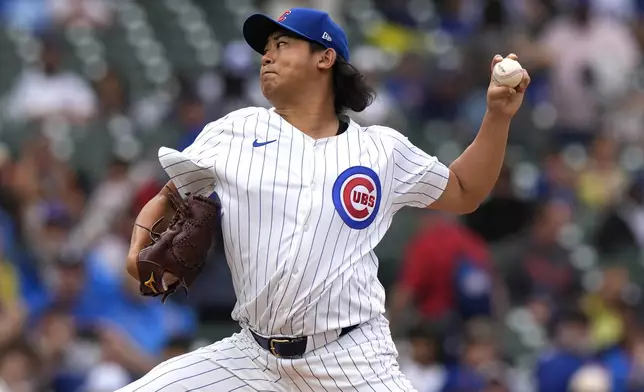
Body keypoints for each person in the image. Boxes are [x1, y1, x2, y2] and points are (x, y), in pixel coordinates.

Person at [119, 7, 530, 392]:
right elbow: (170, 194)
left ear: (325, 57)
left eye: (282, 45)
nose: (267, 57)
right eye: (265, 50)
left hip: (352, 357)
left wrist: (497, 116)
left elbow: (464, 191)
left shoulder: (381, 150)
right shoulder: (235, 130)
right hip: (253, 357)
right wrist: (137, 248)